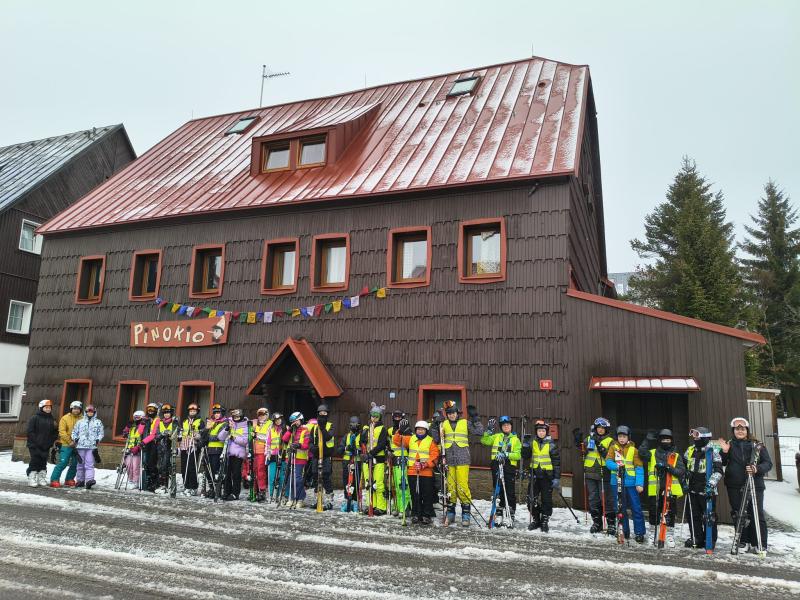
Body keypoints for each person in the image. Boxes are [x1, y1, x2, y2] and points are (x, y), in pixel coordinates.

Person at [719, 417, 772, 553]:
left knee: (756, 514)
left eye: (743, 429)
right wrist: (724, 452)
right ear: (733, 431)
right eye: (737, 429)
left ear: (747, 430)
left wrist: (756, 469)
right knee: (739, 514)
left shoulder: (757, 445)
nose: (740, 431)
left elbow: (768, 463)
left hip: (755, 485)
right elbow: (722, 463)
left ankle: (759, 543)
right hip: (734, 485)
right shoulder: (729, 444)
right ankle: (743, 541)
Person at [431, 400, 484, 526]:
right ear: (447, 414)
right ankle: (451, 512)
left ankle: (466, 513)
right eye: (449, 413)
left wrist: (475, 417)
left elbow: (479, 431)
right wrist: (434, 425)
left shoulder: (465, 423)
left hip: (463, 459)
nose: (451, 415)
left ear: (457, 413)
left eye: (453, 413)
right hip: (449, 460)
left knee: (462, 486)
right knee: (451, 487)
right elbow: (436, 439)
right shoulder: (443, 424)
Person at [639, 428, 686, 547]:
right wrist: (647, 441)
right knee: (654, 512)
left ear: (671, 441)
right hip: (655, 488)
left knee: (670, 512)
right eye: (663, 439)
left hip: (670, 488)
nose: (666, 441)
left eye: (668, 439)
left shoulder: (675, 455)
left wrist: (668, 468)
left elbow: (681, 471)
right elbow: (641, 453)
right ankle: (652, 534)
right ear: (660, 441)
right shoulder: (653, 452)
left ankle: (669, 535)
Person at [393, 419, 440, 525]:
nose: (420, 431)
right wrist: (399, 431)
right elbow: (396, 441)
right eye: (418, 429)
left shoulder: (430, 441)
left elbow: (435, 455)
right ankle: (416, 514)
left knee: (426, 494)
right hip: (412, 472)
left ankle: (426, 515)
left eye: (422, 430)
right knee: (415, 494)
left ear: (426, 430)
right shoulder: (410, 438)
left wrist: (426, 464)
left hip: (426, 472)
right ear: (415, 430)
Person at [604, 425, 646, 543]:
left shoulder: (634, 450)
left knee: (636, 508)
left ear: (628, 437)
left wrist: (639, 483)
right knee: (620, 508)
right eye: (620, 436)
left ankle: (639, 532)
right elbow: (608, 462)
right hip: (616, 483)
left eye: (624, 436)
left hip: (631, 484)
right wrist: (617, 467)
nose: (622, 439)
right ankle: (624, 531)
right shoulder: (613, 448)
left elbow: (639, 468)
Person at [683, 426, 723, 549]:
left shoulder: (713, 451)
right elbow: (683, 466)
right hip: (692, 488)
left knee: (708, 516)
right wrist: (684, 478)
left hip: (707, 490)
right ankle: (697, 537)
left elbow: (718, 471)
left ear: (705, 437)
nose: (695, 438)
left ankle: (710, 539)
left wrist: (711, 484)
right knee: (693, 515)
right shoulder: (690, 450)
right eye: (694, 436)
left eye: (697, 435)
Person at [482, 415, 522, 527]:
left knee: (509, 490)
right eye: (504, 425)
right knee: (498, 490)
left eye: (508, 425)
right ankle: (499, 512)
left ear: (511, 426)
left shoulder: (515, 439)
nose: (506, 427)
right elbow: (484, 441)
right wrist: (488, 431)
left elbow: (518, 455)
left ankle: (510, 513)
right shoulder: (496, 436)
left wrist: (506, 454)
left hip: (509, 466)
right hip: (496, 465)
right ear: (501, 427)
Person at [523, 419, 560, 532]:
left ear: (546, 432)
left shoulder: (551, 444)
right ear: (536, 432)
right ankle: (536, 519)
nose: (541, 433)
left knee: (546, 500)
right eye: (539, 431)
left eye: (543, 431)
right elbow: (525, 456)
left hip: (547, 476)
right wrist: (525, 445)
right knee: (530, 499)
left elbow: (556, 462)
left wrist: (556, 477)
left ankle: (544, 520)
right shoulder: (532, 442)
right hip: (534, 475)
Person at [578, 417, 614, 534]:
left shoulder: (610, 441)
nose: (600, 430)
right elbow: (582, 453)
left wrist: (601, 447)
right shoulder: (589, 438)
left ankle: (611, 523)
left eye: (603, 428)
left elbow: (610, 457)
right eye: (598, 428)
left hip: (604, 473)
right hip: (590, 473)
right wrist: (578, 443)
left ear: (606, 429)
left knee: (606, 499)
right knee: (593, 498)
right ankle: (596, 522)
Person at [360, 403, 389, 516]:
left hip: (378, 459)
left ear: (380, 417)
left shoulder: (382, 429)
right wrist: (363, 436)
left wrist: (371, 453)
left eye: (376, 416)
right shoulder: (367, 428)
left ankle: (381, 506)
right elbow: (362, 442)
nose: (374, 418)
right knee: (368, 483)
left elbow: (382, 444)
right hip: (367, 459)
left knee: (378, 483)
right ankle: (371, 504)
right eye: (372, 416)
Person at [49, 400, 83, 488]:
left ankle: (69, 479)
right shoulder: (65, 418)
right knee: (63, 462)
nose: (76, 410)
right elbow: (62, 431)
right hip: (66, 444)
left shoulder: (83, 419)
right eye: (74, 408)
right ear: (71, 409)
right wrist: (70, 441)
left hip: (78, 445)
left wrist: (78, 442)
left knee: (75, 463)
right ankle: (54, 480)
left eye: (78, 409)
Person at [218, 408, 248, 500]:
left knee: (235, 474)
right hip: (228, 453)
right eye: (235, 416)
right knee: (227, 474)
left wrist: (234, 438)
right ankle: (227, 492)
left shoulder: (245, 426)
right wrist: (227, 429)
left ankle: (235, 493)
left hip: (238, 454)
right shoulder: (230, 424)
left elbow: (245, 441)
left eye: (238, 416)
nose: (236, 418)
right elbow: (220, 437)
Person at [26, 399, 58, 487]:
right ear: (41, 408)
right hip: (34, 445)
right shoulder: (34, 418)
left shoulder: (52, 419)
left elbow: (55, 432)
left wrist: (51, 441)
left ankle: (41, 477)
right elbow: (30, 431)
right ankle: (31, 478)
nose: (48, 409)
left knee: (43, 461)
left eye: (49, 408)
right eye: (46, 407)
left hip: (46, 445)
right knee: (35, 460)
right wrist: (36, 441)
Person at [309, 404, 335, 510]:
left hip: (326, 455)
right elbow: (310, 440)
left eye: (324, 413)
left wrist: (323, 428)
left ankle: (329, 500)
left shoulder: (330, 425)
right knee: (315, 476)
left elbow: (329, 437)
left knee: (325, 476)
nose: (322, 415)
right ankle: (317, 499)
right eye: (321, 413)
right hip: (316, 456)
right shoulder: (314, 427)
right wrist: (312, 448)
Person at [71, 405, 104, 489]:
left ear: (94, 412)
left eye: (91, 411)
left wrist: (98, 439)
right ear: (85, 412)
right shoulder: (80, 422)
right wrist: (75, 438)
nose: (90, 413)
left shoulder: (98, 422)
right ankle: (80, 481)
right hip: (80, 446)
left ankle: (89, 480)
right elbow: (74, 432)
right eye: (88, 411)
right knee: (80, 464)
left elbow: (101, 433)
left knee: (89, 464)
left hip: (91, 447)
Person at [282, 411, 311, 506]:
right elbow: (284, 439)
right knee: (290, 478)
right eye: (293, 421)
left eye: (296, 421)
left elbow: (306, 445)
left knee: (297, 479)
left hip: (300, 458)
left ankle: (300, 498)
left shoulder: (305, 430)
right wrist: (289, 431)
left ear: (301, 420)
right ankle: (291, 498)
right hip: (290, 457)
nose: (295, 423)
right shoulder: (291, 430)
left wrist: (299, 445)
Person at [387, 410, 412, 518]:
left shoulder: (408, 429)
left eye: (399, 418)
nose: (397, 420)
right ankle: (397, 506)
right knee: (395, 484)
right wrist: (388, 451)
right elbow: (388, 443)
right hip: (393, 459)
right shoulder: (389, 430)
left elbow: (410, 444)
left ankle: (406, 508)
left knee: (403, 484)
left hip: (403, 458)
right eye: (395, 418)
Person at [179, 403, 205, 496]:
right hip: (184, 445)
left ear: (197, 412)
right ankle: (186, 486)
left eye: (194, 411)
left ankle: (193, 487)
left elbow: (202, 433)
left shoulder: (200, 421)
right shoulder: (185, 421)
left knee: (191, 467)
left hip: (193, 445)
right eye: (191, 411)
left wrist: (197, 436)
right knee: (184, 467)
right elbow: (181, 432)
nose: (192, 412)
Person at [338, 416, 362, 512]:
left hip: (357, 462)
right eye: (352, 424)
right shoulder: (346, 436)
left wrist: (357, 450)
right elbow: (339, 449)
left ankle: (355, 502)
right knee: (346, 483)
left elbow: (363, 449)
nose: (354, 426)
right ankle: (347, 500)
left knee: (356, 483)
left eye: (356, 425)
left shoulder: (361, 436)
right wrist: (345, 448)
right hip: (347, 463)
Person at [203, 403, 228, 498]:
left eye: (218, 413)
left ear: (222, 413)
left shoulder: (224, 423)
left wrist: (208, 436)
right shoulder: (211, 422)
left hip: (219, 450)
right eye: (215, 413)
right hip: (209, 450)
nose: (216, 414)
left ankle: (218, 488)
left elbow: (218, 437)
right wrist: (206, 429)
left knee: (217, 470)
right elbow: (203, 436)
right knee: (209, 470)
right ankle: (212, 488)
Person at [122, 411, 147, 486]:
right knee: (129, 465)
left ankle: (136, 481)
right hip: (130, 449)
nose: (136, 419)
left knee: (135, 466)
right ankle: (130, 480)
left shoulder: (143, 426)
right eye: (135, 417)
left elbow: (142, 435)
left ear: (142, 418)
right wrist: (127, 427)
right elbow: (124, 435)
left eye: (138, 417)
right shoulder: (132, 426)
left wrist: (138, 447)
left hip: (138, 449)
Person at [140, 402, 161, 492]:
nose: (150, 411)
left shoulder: (157, 420)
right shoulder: (146, 419)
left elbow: (153, 434)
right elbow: (140, 432)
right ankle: (147, 481)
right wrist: (142, 423)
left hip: (154, 444)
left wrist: (144, 441)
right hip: (145, 444)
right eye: (149, 409)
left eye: (152, 409)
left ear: (156, 410)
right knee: (146, 463)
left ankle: (154, 482)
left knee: (152, 463)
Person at [266, 412, 285, 500]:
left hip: (283, 455)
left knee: (281, 478)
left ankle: (279, 495)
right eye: (276, 420)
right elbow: (268, 443)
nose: (278, 421)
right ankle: (271, 495)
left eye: (279, 419)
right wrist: (268, 454)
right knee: (272, 477)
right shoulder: (270, 430)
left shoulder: (285, 429)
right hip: (273, 456)